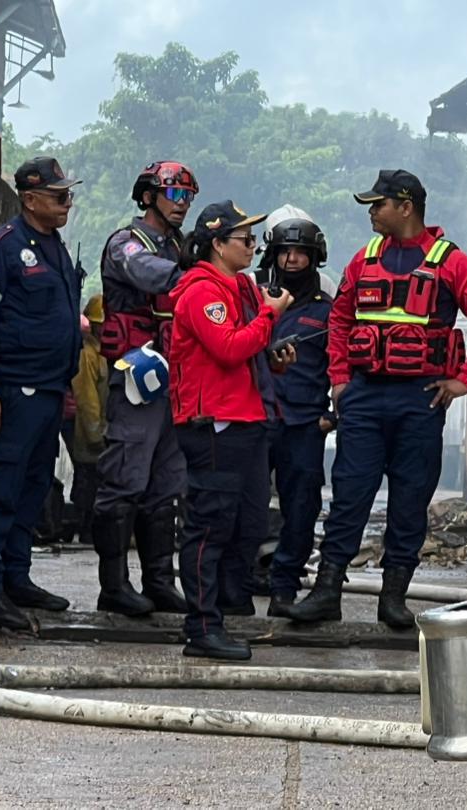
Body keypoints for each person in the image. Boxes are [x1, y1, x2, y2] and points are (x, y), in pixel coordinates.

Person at [286, 169, 467, 629]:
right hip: (364, 397)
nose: (371, 211)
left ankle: (394, 598)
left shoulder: (451, 263)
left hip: (420, 400)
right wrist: (341, 380)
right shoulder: (362, 260)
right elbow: (340, 321)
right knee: (349, 494)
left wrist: (464, 381)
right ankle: (327, 591)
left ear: (405, 207)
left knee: (409, 499)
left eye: (378, 204)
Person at [0, 156, 83, 629]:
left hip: (50, 390)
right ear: (30, 200)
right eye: (58, 195)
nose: (66, 202)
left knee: (34, 486)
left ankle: (16, 575)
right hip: (13, 389)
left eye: (68, 194)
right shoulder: (2, 247)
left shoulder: (56, 248)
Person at [168, 200, 293, 660]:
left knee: (245, 523)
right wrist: (270, 316)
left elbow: (246, 352)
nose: (253, 247)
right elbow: (227, 347)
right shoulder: (202, 291)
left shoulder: (238, 287)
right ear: (217, 245)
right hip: (213, 424)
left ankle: (218, 613)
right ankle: (201, 626)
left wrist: (272, 353)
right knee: (207, 528)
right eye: (244, 239)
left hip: (243, 419)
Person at [92, 161, 198, 616]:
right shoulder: (127, 243)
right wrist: (204, 277)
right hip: (135, 375)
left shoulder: (179, 245)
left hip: (176, 378)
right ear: (149, 196)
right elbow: (154, 276)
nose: (182, 205)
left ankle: (159, 580)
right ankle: (114, 585)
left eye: (187, 197)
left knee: (165, 483)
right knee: (124, 480)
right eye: (174, 195)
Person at [253, 211, 335, 618]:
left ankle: (283, 587)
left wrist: (333, 415)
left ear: (314, 257)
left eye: (300, 253)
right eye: (284, 252)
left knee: (301, 507)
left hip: (304, 423)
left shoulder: (327, 309)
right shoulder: (252, 298)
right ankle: (235, 584)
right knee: (242, 504)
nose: (291, 261)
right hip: (254, 417)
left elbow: (342, 366)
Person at [70, 296, 108, 545]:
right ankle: (85, 528)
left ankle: (92, 529)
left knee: (96, 481)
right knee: (87, 481)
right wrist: (96, 434)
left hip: (101, 431)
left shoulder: (104, 354)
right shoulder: (88, 355)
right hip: (89, 433)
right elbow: (87, 399)